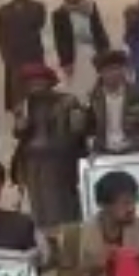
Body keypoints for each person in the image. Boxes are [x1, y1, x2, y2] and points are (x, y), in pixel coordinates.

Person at [10, 62, 85, 230]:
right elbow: (18, 133)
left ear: (49, 82)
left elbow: (78, 131)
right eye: (30, 83)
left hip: (58, 161)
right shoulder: (24, 105)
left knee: (59, 205)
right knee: (39, 206)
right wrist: (20, 124)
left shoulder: (67, 102)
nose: (35, 86)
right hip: (32, 161)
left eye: (39, 82)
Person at [81, 49, 139, 156]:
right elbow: (87, 129)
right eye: (109, 70)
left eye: (117, 68)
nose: (114, 73)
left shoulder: (138, 95)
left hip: (134, 149)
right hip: (103, 151)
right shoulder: (92, 99)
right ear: (101, 73)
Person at [0, 0, 49, 110]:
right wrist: (5, 54)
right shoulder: (3, 11)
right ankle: (18, 112)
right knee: (16, 87)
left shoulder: (37, 7)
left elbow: (39, 24)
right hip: (13, 55)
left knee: (36, 83)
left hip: (33, 52)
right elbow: (1, 35)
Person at [52, 0, 112, 97]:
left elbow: (98, 28)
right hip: (74, 52)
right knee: (77, 83)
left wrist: (105, 49)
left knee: (96, 80)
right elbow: (60, 40)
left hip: (92, 49)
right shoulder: (59, 13)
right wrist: (65, 62)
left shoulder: (90, 6)